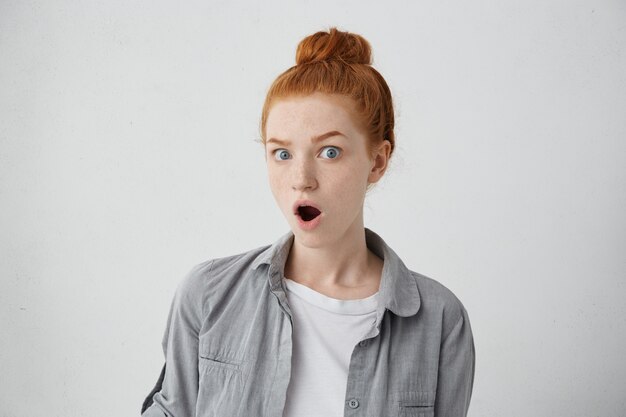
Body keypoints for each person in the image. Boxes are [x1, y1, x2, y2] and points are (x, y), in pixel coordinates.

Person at [141, 27, 475, 417]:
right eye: (281, 154)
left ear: (378, 161)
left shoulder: (440, 319)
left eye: (329, 152)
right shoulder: (209, 294)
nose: (302, 178)